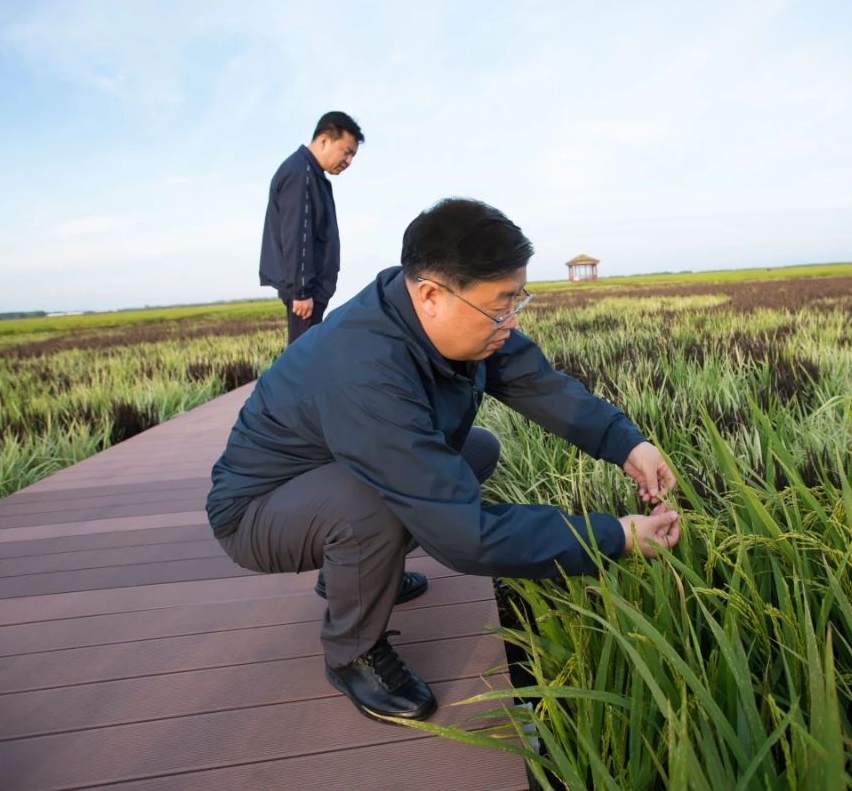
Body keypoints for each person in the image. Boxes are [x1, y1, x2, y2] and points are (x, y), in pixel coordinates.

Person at [207, 198, 682, 724]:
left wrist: (627, 444)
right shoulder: (364, 370)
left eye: (517, 300)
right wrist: (614, 536)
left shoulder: (451, 315)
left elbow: (537, 382)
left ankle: (354, 574)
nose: (510, 320)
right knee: (373, 507)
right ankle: (351, 654)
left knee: (477, 450)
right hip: (255, 511)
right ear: (431, 295)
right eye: (500, 305)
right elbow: (465, 535)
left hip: (323, 478)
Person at [258, 111, 364, 344]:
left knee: (306, 354)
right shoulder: (301, 173)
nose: (348, 162)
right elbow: (297, 234)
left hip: (310, 288)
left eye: (353, 156)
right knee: (302, 358)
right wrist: (302, 291)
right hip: (306, 291)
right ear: (325, 140)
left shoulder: (310, 173)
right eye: (346, 153)